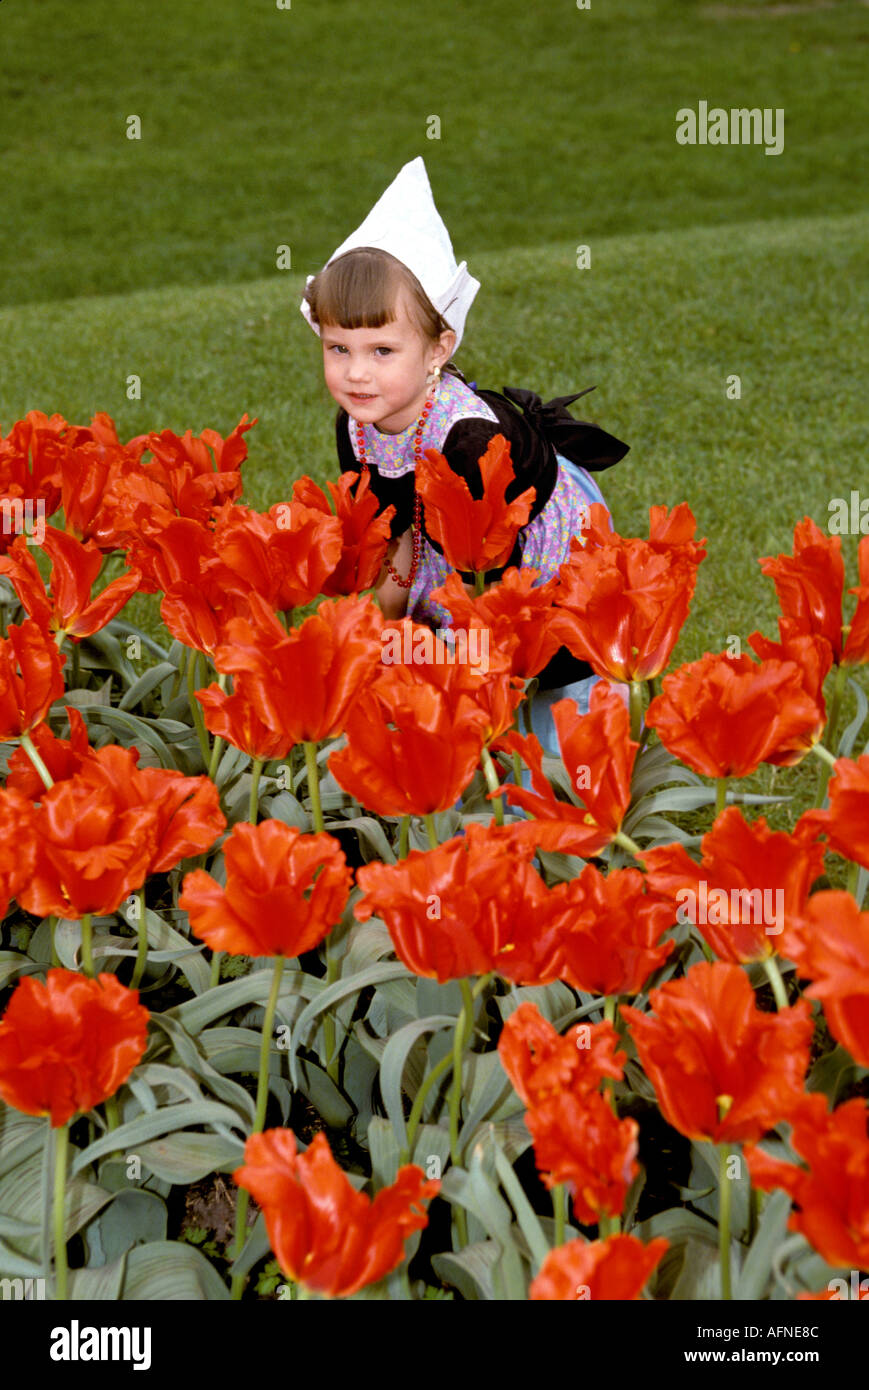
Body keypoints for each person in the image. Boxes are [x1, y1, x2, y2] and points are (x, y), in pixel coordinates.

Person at [300, 157, 629, 754]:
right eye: (336, 347)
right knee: (425, 675)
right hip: (452, 559)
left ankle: (563, 785)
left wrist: (463, 654)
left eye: (381, 350)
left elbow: (502, 583)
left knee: (551, 704)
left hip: (533, 564)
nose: (354, 373)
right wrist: (386, 625)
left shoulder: (471, 442)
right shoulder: (356, 427)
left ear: (438, 348)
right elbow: (394, 529)